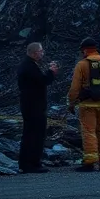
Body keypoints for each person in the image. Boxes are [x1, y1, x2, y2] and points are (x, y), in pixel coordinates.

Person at [67, 37, 100, 172]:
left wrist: (71, 103)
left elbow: (74, 88)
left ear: (85, 50)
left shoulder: (81, 65)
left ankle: (90, 161)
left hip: (87, 105)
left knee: (89, 131)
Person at [16, 42, 59, 173]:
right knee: (35, 134)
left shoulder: (28, 65)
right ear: (35, 53)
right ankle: (31, 163)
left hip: (31, 105)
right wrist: (51, 72)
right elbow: (42, 81)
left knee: (30, 133)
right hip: (34, 106)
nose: (42, 53)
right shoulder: (29, 66)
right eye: (41, 51)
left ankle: (28, 162)